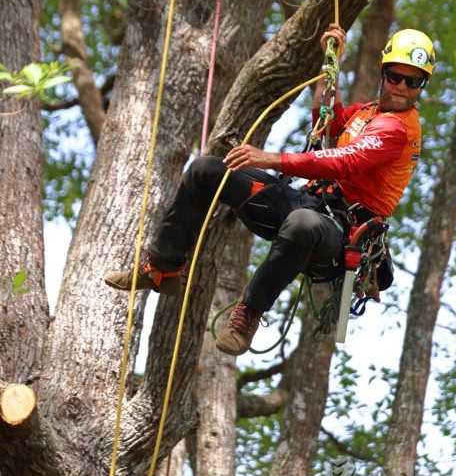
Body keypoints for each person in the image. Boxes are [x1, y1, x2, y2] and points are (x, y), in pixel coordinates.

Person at [105, 24, 436, 356]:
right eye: (396, 76)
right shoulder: (368, 112)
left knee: (303, 224)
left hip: (339, 232)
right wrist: (330, 65)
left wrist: (271, 159)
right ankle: (162, 267)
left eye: (414, 81)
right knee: (206, 171)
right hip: (307, 201)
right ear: (384, 73)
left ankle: (248, 314)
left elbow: (342, 162)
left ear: (422, 85)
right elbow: (329, 123)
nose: (402, 87)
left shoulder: (399, 129)